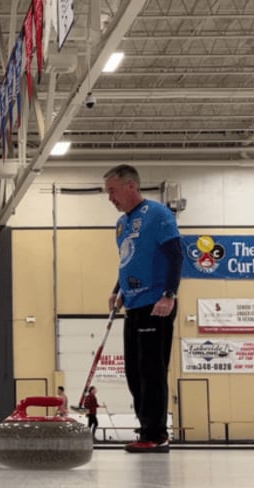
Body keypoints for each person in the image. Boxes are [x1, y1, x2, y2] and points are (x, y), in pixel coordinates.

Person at [105, 164, 182, 453]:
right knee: (134, 371)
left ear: (131, 187)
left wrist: (169, 294)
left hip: (156, 304)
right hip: (133, 304)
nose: (110, 198)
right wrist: (117, 290)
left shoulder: (159, 214)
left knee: (151, 371)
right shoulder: (122, 224)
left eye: (113, 191)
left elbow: (176, 255)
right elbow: (129, 261)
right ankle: (146, 427)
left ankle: (156, 433)